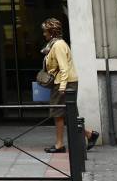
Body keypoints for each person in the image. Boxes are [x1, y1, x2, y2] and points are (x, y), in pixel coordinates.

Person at [39, 17, 99, 154]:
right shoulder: (55, 44)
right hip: (64, 82)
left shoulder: (58, 45)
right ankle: (89, 135)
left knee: (59, 114)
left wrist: (61, 87)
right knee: (68, 114)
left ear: (52, 32)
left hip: (63, 83)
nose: (44, 34)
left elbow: (64, 68)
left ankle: (60, 145)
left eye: (45, 31)